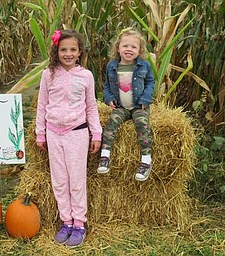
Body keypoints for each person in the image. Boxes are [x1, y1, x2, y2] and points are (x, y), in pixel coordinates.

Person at [36, 29, 102, 247]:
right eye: (63, 49)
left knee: (76, 180)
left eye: (72, 49)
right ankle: (66, 221)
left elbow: (91, 107)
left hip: (77, 133)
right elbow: (42, 105)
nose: (68, 53)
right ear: (57, 50)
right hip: (54, 133)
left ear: (79, 52)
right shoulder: (49, 74)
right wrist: (41, 133)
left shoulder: (86, 76)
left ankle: (79, 224)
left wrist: (97, 133)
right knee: (60, 180)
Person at [97, 27, 155, 182]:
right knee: (111, 123)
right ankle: (105, 156)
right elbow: (108, 86)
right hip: (121, 107)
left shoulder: (144, 66)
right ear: (118, 48)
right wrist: (108, 98)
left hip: (138, 106)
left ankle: (146, 160)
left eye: (134, 47)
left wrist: (145, 99)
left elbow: (150, 83)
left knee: (142, 124)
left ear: (140, 50)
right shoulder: (112, 66)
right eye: (125, 46)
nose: (129, 49)